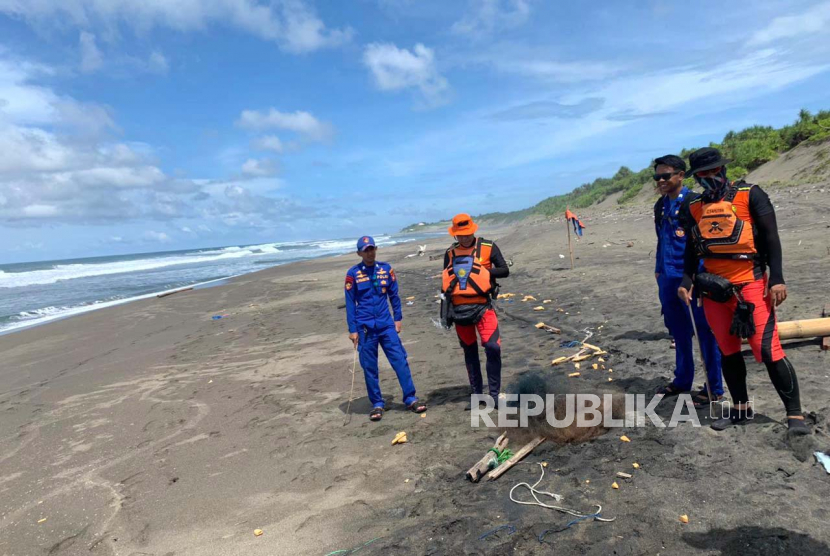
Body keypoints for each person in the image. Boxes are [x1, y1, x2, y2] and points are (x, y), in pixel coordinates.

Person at [677, 148, 809, 435]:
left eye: (715, 170)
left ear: (723, 169)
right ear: (696, 177)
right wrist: (686, 283)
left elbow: (772, 238)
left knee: (767, 349)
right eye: (703, 174)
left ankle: (794, 414)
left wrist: (778, 279)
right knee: (728, 350)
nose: (711, 176)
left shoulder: (751, 195)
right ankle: (740, 409)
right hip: (713, 289)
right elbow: (690, 249)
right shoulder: (694, 206)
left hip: (750, 283)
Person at [652, 155, 724, 407]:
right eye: (657, 176)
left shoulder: (694, 202)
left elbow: (700, 244)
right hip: (667, 279)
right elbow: (662, 240)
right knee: (678, 332)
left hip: (690, 278)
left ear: (681, 175)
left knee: (704, 332)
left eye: (666, 175)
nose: (661, 180)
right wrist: (659, 270)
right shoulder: (660, 206)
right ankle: (682, 380)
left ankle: (714, 388)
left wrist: (692, 277)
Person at [345, 236, 426, 421]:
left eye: (372, 248)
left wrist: (398, 318)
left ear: (376, 249)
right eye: (365, 250)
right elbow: (350, 303)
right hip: (365, 327)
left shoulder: (386, 269)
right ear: (359, 253)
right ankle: (377, 404)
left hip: (386, 325)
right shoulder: (353, 274)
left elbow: (394, 296)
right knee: (370, 367)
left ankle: (411, 398)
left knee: (400, 360)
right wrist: (353, 330)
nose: (370, 252)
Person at [442, 214, 510, 408]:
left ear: (473, 230)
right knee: (469, 352)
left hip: (483, 306)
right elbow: (446, 284)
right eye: (460, 235)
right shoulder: (450, 253)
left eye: (467, 234)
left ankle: (494, 395)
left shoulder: (488, 247)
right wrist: (445, 313)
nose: (464, 238)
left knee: (493, 347)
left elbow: (504, 270)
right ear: (455, 235)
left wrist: (482, 271)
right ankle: (477, 394)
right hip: (459, 311)